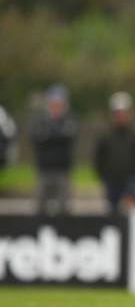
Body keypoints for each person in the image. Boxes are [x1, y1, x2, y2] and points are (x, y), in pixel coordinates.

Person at [94, 91, 135, 215]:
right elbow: (99, 158)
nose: (121, 116)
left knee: (131, 211)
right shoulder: (106, 137)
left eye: (123, 113)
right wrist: (104, 176)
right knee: (112, 212)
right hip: (111, 182)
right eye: (118, 113)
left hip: (130, 181)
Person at [29, 83, 79, 215]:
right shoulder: (39, 119)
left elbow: (70, 136)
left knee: (64, 206)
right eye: (53, 103)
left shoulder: (70, 118)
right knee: (40, 206)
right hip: (44, 168)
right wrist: (57, 134)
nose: (56, 107)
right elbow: (35, 138)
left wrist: (50, 135)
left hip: (62, 169)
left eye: (59, 104)